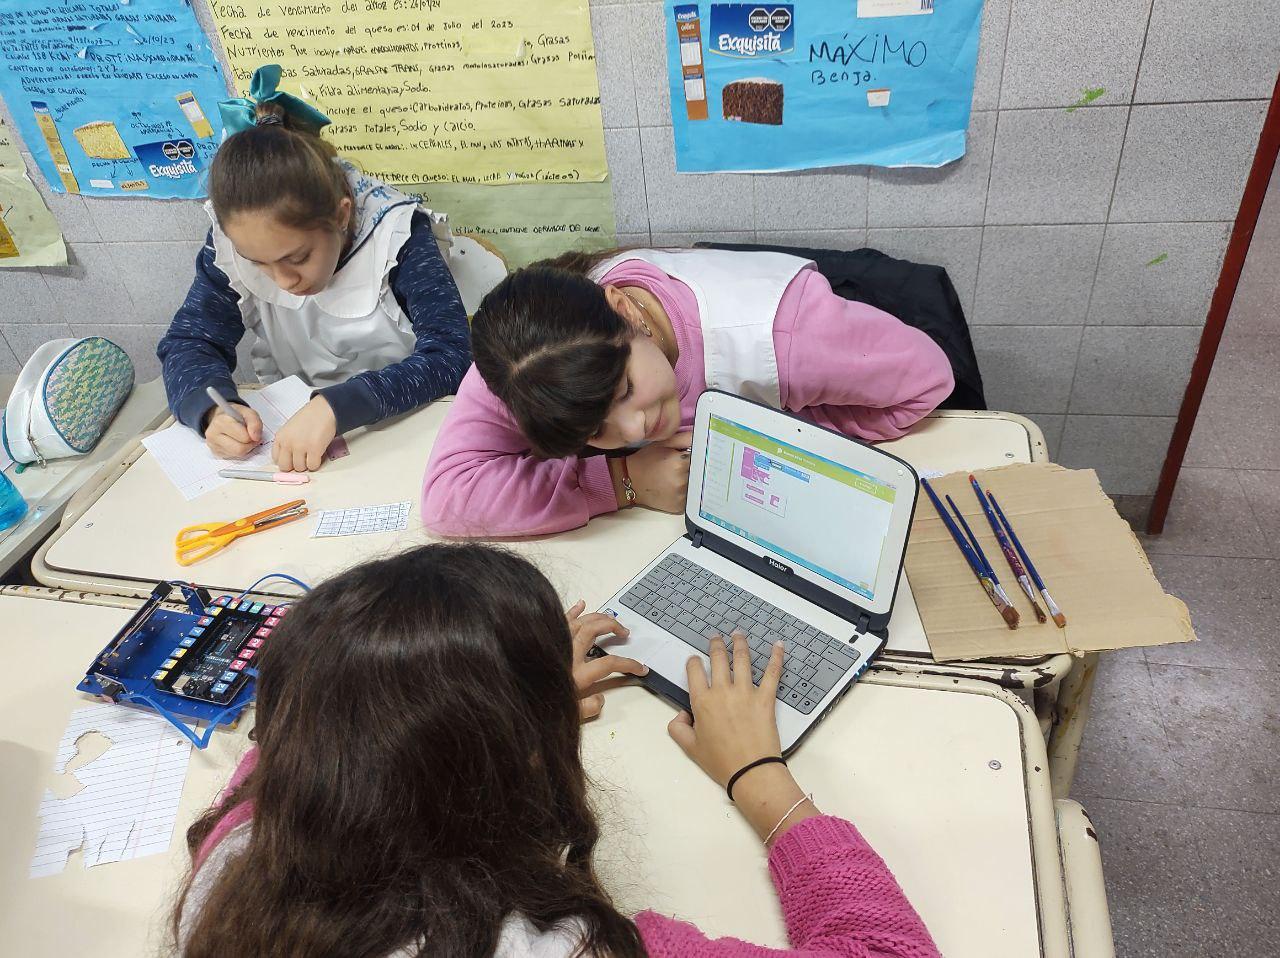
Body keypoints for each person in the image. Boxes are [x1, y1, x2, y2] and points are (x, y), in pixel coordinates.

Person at [172, 544, 941, 957]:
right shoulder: (560, 948)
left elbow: (327, 732)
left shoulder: (236, 851)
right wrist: (758, 774)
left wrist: (489, 698)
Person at [420, 246, 953, 537]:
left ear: (624, 311)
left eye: (625, 389)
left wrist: (770, 439)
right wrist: (619, 478)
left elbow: (926, 381)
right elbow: (447, 499)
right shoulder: (532, 358)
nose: (634, 429)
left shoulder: (787, 337)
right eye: (594, 430)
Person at [158, 65, 469, 472]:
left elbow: (451, 355)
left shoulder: (397, 234)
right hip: (300, 438)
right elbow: (188, 343)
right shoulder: (231, 246)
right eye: (258, 264)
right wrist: (211, 409)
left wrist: (337, 405)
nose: (284, 281)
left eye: (298, 258)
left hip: (411, 429)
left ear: (342, 216)